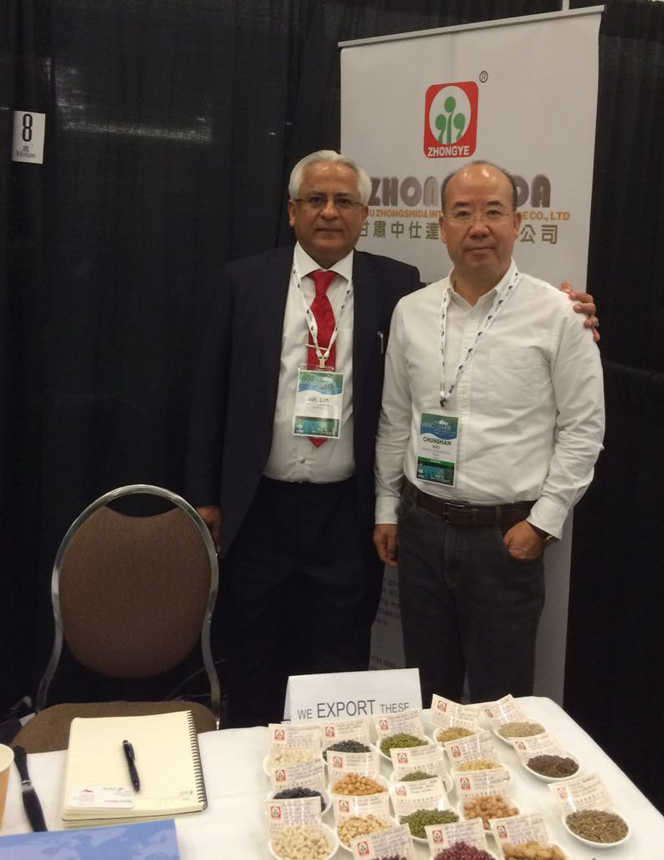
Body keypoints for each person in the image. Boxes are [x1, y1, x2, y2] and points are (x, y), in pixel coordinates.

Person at [187, 150, 598, 726]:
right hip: (261, 507)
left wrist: (574, 310)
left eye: (345, 201)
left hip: (346, 513)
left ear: (366, 214)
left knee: (344, 659)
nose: (330, 212)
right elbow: (210, 392)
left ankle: (338, 761)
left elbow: (486, 313)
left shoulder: (397, 286)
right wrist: (206, 495)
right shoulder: (246, 281)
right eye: (315, 200)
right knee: (254, 653)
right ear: (292, 211)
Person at [373, 160, 605, 706]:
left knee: (501, 704)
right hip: (422, 530)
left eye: (493, 212)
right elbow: (395, 417)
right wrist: (387, 509)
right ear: (442, 226)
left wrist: (542, 524)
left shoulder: (559, 315)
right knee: (428, 697)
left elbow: (583, 428)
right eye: (463, 213)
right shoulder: (411, 311)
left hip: (504, 540)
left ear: (517, 223)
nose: (478, 226)